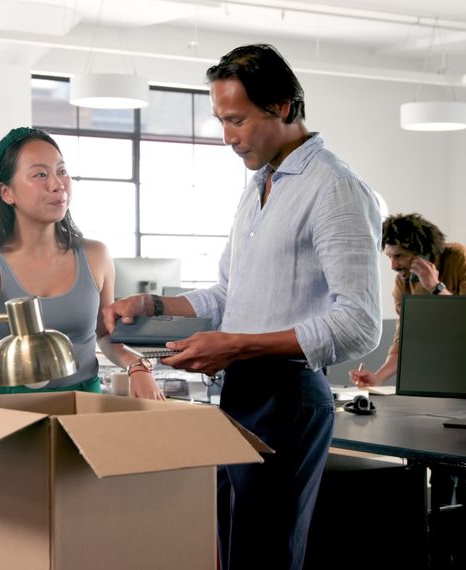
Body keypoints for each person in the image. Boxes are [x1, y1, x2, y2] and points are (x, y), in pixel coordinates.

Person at [102, 44, 383, 570]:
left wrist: (235, 346)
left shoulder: (335, 188)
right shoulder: (260, 185)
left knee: (265, 558)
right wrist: (156, 302)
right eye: (221, 120)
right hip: (242, 393)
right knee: (232, 553)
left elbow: (359, 323)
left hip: (289, 399)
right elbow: (229, 294)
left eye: (236, 120)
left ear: (282, 106)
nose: (227, 137)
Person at [0, 127, 164, 399]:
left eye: (62, 171)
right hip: (11, 407)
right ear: (6, 192)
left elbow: (105, 335)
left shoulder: (96, 255)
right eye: (40, 174)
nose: (57, 184)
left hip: (86, 402)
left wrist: (138, 367)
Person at [352, 212, 466, 508]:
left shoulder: (460, 258)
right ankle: (442, 535)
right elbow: (406, 338)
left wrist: (435, 286)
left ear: (421, 250)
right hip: (456, 363)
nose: (394, 265)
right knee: (440, 454)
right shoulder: (403, 283)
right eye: (389, 257)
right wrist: (379, 376)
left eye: (399, 255)